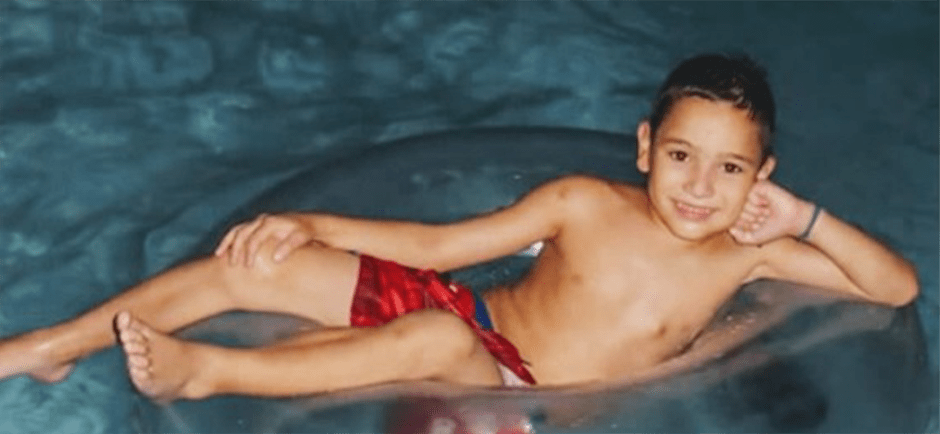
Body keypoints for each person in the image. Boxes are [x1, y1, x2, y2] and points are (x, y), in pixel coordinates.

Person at [0, 54, 918, 403]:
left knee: (438, 337)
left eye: (730, 169)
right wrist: (307, 222)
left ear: (762, 177)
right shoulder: (581, 202)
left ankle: (212, 374)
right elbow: (441, 250)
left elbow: (896, 286)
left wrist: (806, 219)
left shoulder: (750, 255)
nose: (699, 188)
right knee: (259, 266)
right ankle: (52, 344)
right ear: (644, 147)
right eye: (682, 155)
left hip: (518, 392)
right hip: (471, 319)